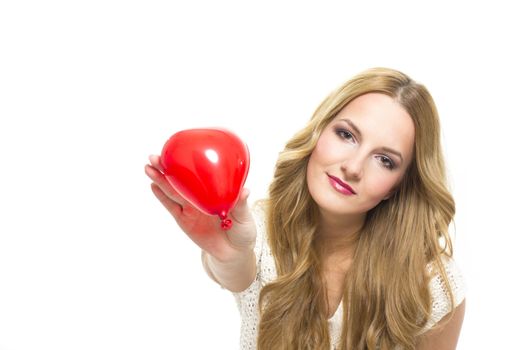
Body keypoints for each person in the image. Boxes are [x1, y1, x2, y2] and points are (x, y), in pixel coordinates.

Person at [144, 67, 466, 350]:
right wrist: (229, 255)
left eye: (385, 160)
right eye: (346, 135)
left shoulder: (433, 284)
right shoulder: (259, 232)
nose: (353, 167)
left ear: (397, 186)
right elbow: (236, 271)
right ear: (319, 132)